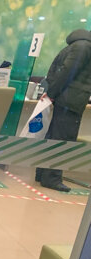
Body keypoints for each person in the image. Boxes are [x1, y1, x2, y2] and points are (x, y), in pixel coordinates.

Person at [35, 29, 91, 193]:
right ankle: (52, 178)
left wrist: (52, 93)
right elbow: (67, 73)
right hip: (70, 100)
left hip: (67, 98)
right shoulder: (83, 47)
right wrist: (52, 94)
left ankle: (42, 174)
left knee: (54, 136)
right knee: (63, 140)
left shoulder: (78, 46)